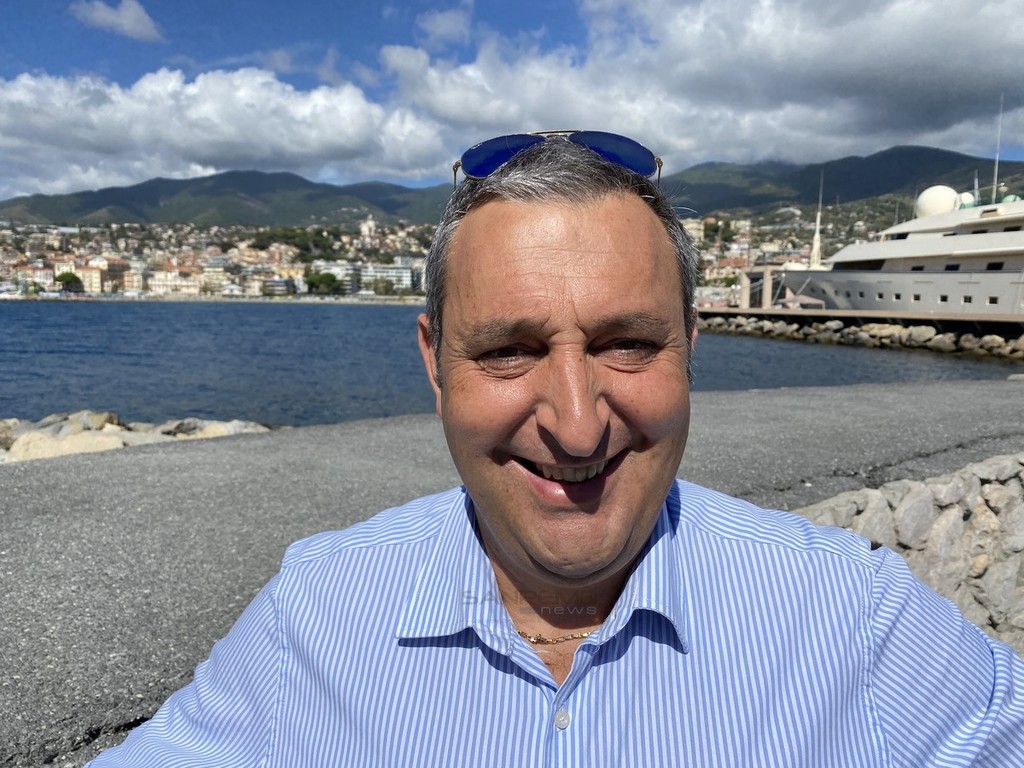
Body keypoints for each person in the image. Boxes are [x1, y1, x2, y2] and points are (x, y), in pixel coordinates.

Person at [88, 132, 1024, 767]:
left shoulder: (852, 619)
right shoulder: (318, 616)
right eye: (508, 351)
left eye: (629, 343)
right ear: (434, 362)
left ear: (691, 349)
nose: (577, 426)